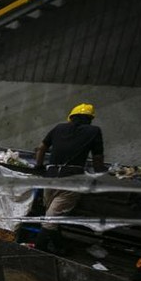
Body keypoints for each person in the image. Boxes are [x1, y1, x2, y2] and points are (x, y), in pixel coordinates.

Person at [33, 102, 105, 254]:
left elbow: (41, 148)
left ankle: (58, 246)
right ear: (90, 119)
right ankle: (40, 249)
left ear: (71, 117)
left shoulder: (58, 128)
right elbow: (97, 158)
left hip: (50, 177)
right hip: (71, 181)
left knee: (50, 215)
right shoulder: (94, 131)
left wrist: (39, 166)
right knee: (51, 219)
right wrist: (101, 174)